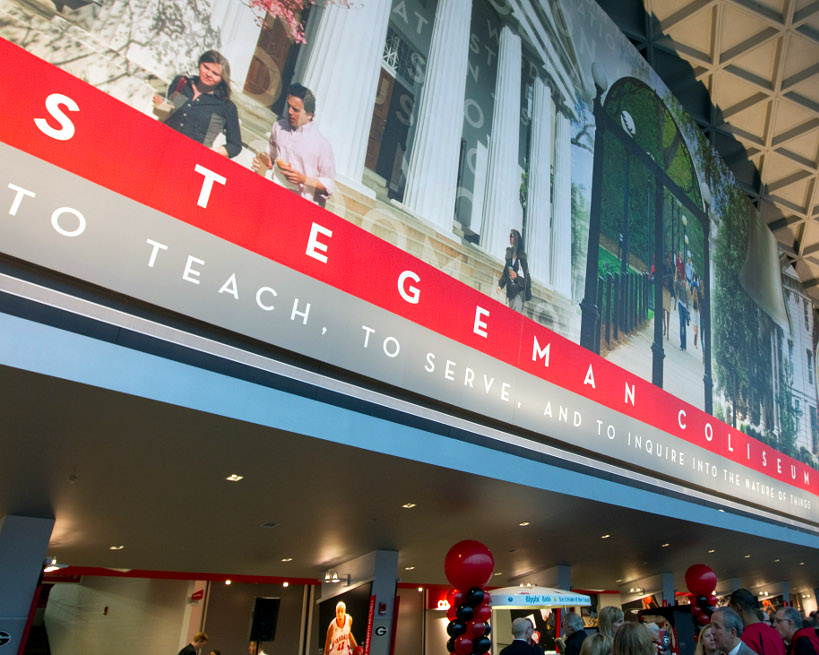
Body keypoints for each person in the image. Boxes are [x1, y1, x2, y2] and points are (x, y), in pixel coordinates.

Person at [252, 83, 336, 207]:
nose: (290, 112)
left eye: (295, 110)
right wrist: (265, 161)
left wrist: (303, 180)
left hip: (301, 206)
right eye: (289, 106)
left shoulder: (322, 144)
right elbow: (271, 153)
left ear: (310, 114)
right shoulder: (279, 127)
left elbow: (328, 185)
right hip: (273, 196)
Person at [153, 51, 242, 158]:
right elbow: (170, 114)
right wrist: (161, 106)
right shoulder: (181, 83)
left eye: (215, 74)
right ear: (199, 64)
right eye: (206, 67)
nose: (209, 74)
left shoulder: (226, 106)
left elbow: (235, 146)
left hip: (190, 160)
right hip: (161, 148)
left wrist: (208, 153)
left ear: (222, 79)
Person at [729, 588, 785, 655]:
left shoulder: (745, 639)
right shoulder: (774, 633)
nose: (730, 615)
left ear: (737, 608)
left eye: (730, 609)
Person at [497, 229, 531, 313]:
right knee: (511, 314)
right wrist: (500, 285)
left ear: (515, 238)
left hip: (519, 291)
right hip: (511, 290)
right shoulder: (510, 254)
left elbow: (526, 276)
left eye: (511, 236)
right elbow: (506, 272)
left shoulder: (522, 256)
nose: (509, 237)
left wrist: (517, 277)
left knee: (516, 314)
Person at [675, 270, 690, 350]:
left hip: (684, 305)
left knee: (684, 324)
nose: (680, 275)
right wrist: (675, 304)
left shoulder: (685, 284)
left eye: (681, 273)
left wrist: (687, 308)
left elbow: (687, 296)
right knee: (681, 324)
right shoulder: (677, 283)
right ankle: (682, 344)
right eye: (679, 273)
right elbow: (676, 293)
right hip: (680, 304)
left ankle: (685, 344)